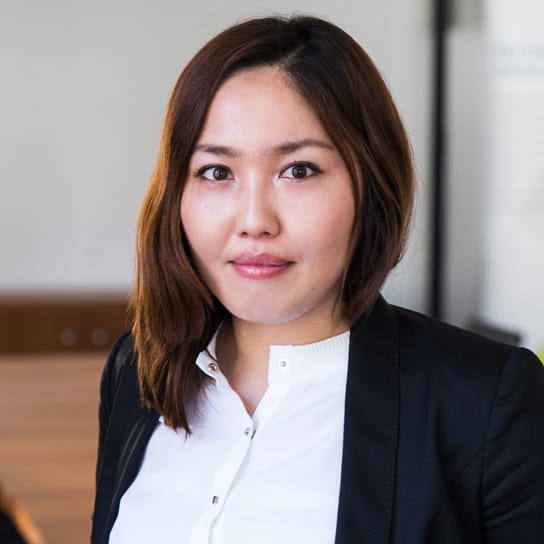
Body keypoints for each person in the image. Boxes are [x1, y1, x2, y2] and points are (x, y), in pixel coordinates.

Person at [91, 15, 544, 544]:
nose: (254, 220)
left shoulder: (485, 402)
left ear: (371, 184)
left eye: (298, 170)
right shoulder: (136, 369)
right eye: (217, 172)